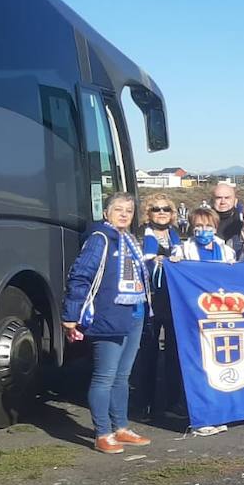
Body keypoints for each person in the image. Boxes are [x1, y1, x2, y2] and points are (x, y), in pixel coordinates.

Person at [61, 192, 153, 454]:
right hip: (109, 315)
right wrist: (71, 315)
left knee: (122, 377)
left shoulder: (129, 241)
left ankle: (121, 427)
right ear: (106, 213)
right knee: (104, 376)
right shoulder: (99, 239)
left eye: (129, 211)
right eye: (119, 209)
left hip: (134, 314)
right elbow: (81, 275)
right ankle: (102, 432)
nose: (124, 214)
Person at [132, 193, 183, 426]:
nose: (161, 212)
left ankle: (173, 402)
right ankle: (144, 404)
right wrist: (156, 262)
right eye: (156, 209)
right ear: (148, 213)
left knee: (173, 353)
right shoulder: (141, 236)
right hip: (149, 300)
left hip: (173, 301)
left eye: (166, 209)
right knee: (147, 353)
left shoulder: (177, 236)